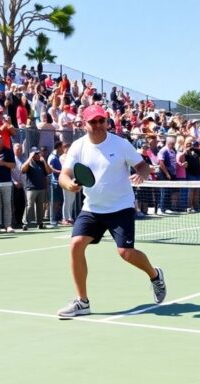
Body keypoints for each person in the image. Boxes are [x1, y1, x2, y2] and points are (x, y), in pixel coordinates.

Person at [56, 105, 166, 318]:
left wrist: (141, 175)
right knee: (76, 245)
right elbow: (64, 174)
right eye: (93, 122)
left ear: (106, 122)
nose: (97, 125)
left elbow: (143, 166)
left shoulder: (121, 144)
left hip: (120, 206)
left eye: (101, 121)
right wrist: (68, 184)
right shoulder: (78, 147)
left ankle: (155, 276)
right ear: (84, 124)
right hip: (92, 208)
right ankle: (82, 302)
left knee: (125, 253)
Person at [20, 146, 50, 230]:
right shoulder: (28, 162)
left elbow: (48, 172)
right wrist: (30, 157)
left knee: (40, 206)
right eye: (35, 154)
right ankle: (25, 223)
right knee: (29, 205)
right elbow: (23, 169)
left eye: (38, 153)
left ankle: (40, 223)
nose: (37, 155)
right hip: (31, 188)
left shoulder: (41, 163)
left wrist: (44, 161)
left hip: (41, 187)